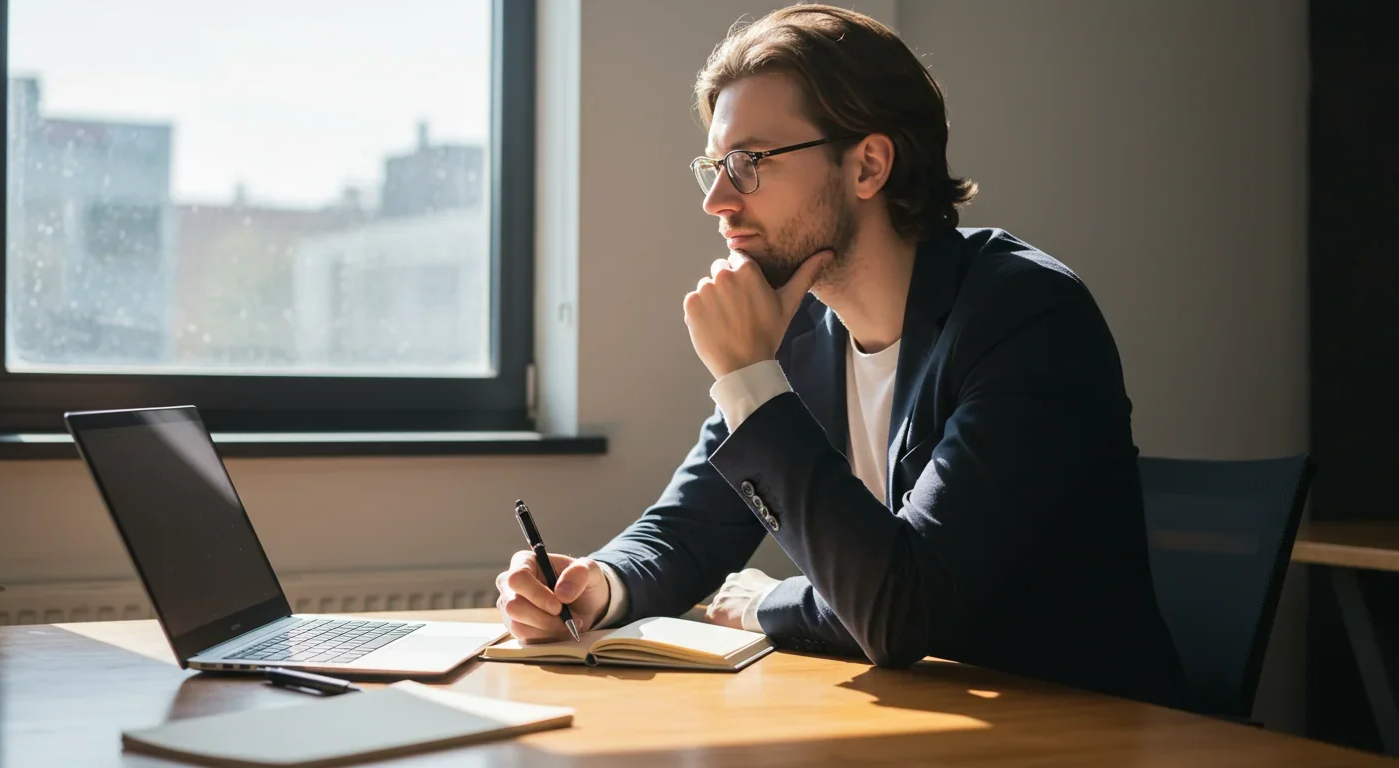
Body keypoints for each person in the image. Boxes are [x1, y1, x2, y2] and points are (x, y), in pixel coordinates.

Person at [494, 4, 1187, 708]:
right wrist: (594, 587)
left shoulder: (1026, 317)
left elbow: (906, 608)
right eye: (714, 164)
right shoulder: (799, 334)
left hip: (1078, 732)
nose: (716, 200)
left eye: (749, 163)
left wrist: (769, 599)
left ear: (869, 164)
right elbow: (690, 527)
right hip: (925, 727)